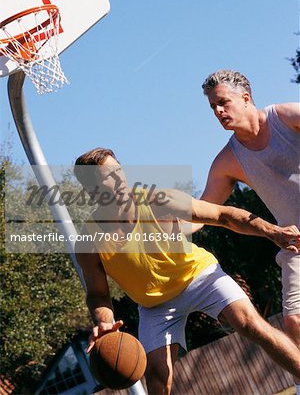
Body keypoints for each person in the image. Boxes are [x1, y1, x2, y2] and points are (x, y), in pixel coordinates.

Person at [74, 147, 300, 395]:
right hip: (155, 306)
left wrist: (271, 231)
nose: (118, 179)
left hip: (198, 276)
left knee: (249, 324)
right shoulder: (89, 240)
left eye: (118, 170)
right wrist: (104, 322)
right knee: (158, 378)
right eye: (107, 176)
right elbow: (98, 294)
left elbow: (222, 215)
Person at [197, 69, 300, 394]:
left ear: (245, 98)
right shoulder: (228, 160)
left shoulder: (287, 117)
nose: (218, 112)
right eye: (213, 107)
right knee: (294, 321)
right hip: (296, 242)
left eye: (223, 103)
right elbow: (203, 212)